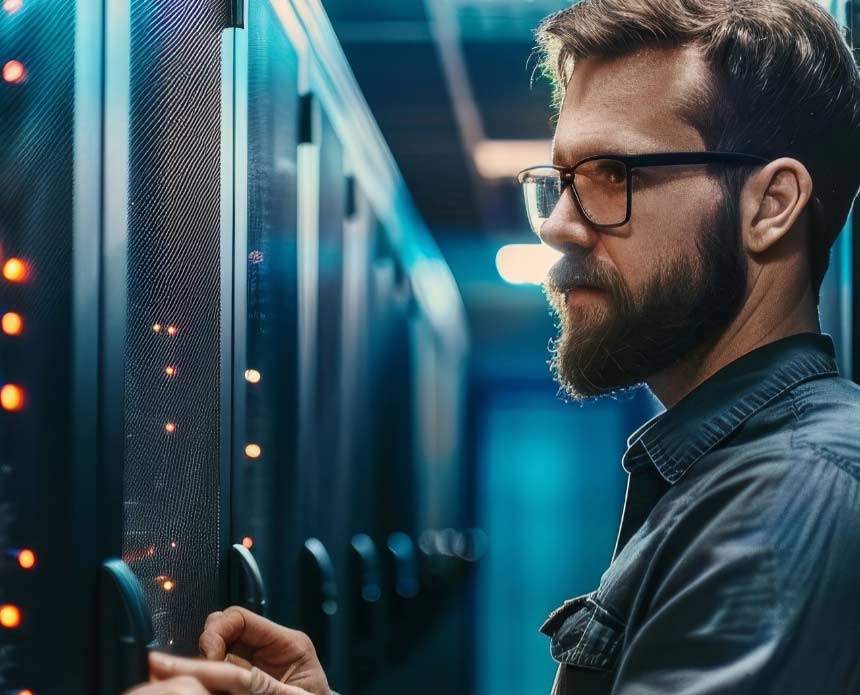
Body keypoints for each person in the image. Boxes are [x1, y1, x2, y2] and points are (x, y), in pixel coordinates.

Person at [125, 0, 860, 693]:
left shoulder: (789, 499)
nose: (557, 225)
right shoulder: (729, 475)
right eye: (563, 180)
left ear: (771, 205)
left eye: (613, 174)